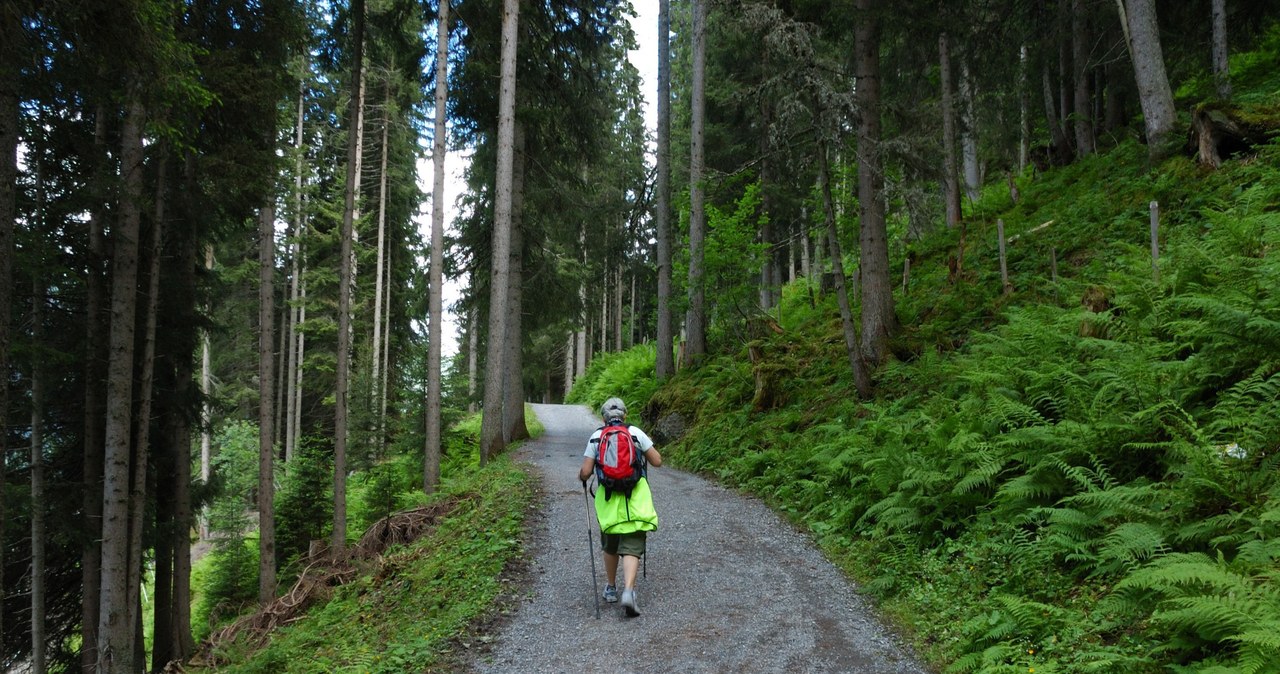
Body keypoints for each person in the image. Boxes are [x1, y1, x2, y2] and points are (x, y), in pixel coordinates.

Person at [578, 397, 662, 617]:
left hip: (608, 500)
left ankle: (611, 587)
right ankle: (629, 592)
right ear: (624, 415)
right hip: (635, 498)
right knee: (632, 544)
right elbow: (657, 461)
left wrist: (582, 475)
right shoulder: (635, 433)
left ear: (603, 417)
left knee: (611, 543)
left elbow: (586, 472)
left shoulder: (596, 437)